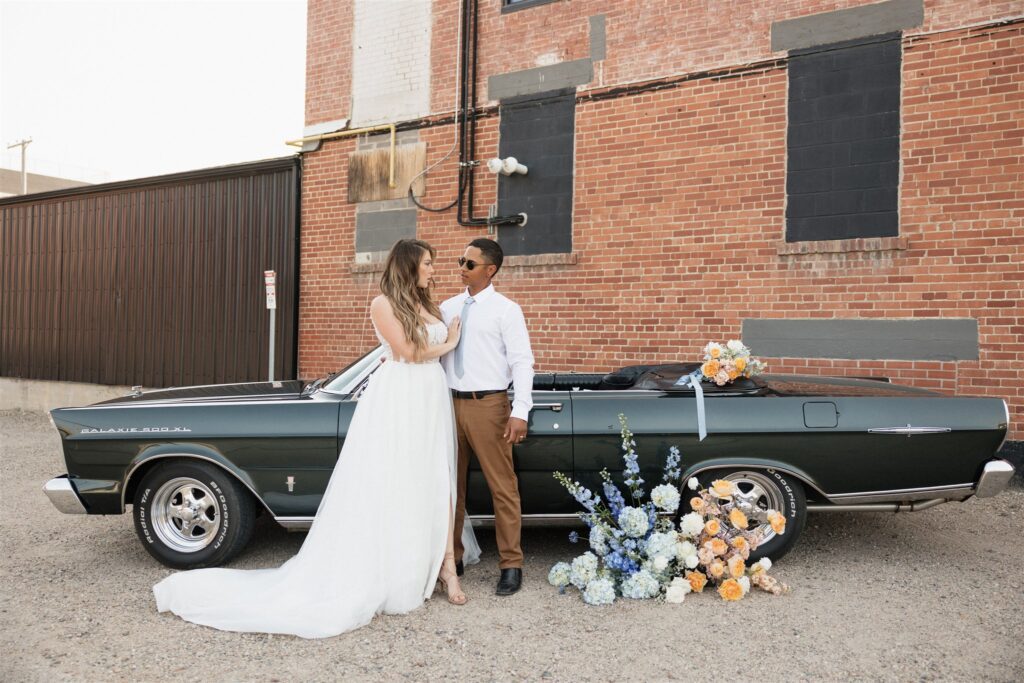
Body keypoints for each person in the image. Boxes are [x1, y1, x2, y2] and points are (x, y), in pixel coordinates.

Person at [153, 239, 468, 639]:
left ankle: (446, 569)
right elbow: (406, 352)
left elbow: (425, 349)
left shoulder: (431, 306)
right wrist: (449, 344)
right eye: (426, 263)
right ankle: (398, 566)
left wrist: (445, 342)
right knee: (395, 479)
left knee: (436, 477)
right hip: (400, 396)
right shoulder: (383, 304)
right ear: (408, 266)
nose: (432, 270)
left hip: (430, 396)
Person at [441, 238, 534, 596]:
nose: (460, 268)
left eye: (468, 263)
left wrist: (520, 410)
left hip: (490, 406)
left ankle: (511, 564)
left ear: (490, 269)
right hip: (448, 405)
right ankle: (454, 559)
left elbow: (521, 362)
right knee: (451, 488)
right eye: (460, 260)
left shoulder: (506, 310)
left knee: (503, 487)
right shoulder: (446, 307)